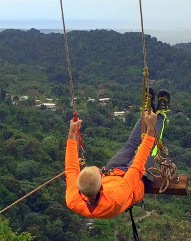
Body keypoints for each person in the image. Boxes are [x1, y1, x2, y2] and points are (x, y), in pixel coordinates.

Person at [65, 90, 169, 218]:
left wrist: (72, 134)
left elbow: (71, 169)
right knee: (150, 147)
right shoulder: (116, 197)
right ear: (100, 186)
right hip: (134, 181)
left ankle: (147, 113)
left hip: (113, 171)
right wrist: (150, 130)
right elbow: (136, 167)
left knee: (131, 145)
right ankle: (160, 116)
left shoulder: (73, 199)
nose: (98, 169)